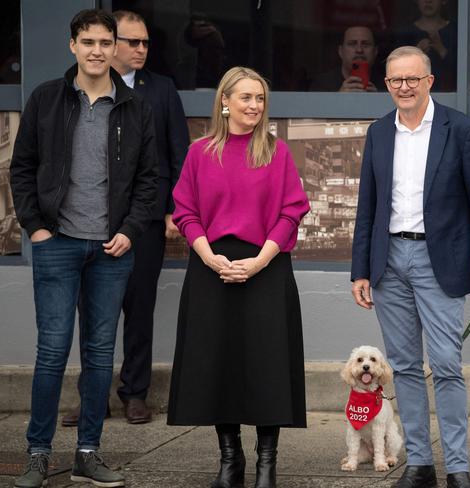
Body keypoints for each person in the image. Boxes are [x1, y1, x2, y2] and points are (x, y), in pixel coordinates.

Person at [9, 8, 157, 488]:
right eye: (87, 41)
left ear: (115, 47)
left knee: (99, 355)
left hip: (113, 249)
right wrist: (35, 227)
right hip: (58, 243)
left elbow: (150, 180)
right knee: (52, 351)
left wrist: (132, 229)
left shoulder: (136, 107)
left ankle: (87, 454)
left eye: (104, 42)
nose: (97, 50)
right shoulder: (47, 98)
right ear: (72, 45)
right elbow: (23, 166)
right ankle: (37, 454)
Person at [351, 46, 470, 488]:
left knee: (447, 365)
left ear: (430, 81)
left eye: (412, 79)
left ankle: (458, 467)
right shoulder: (380, 133)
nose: (404, 87)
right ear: (387, 84)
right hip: (389, 262)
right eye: (396, 80)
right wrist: (360, 269)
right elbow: (368, 208)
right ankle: (419, 464)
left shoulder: (463, 130)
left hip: (442, 262)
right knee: (403, 368)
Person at [167, 66, 310, 488]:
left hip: (265, 266)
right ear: (224, 102)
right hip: (212, 266)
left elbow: (291, 210)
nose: (254, 106)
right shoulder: (200, 153)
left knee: (267, 365)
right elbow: (185, 211)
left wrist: (261, 260)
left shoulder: (276, 152)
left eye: (260, 99)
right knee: (217, 366)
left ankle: (268, 464)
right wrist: (210, 258)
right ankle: (231, 461)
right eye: (246, 97)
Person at [60, 9, 190, 428]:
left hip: (146, 218)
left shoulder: (163, 89)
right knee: (93, 312)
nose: (141, 49)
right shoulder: (77, 89)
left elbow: (178, 152)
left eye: (146, 42)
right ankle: (91, 397)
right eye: (133, 42)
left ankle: (135, 393)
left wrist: (175, 209)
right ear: (111, 46)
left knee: (139, 308)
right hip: (88, 220)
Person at [395, 0, 457, 92]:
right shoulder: (406, 32)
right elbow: (396, 71)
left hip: (450, 94)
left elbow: (462, 72)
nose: (428, 1)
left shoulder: (455, 31)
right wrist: (416, 52)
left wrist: (441, 50)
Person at [309, 25, 383, 92]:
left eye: (366, 44)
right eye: (352, 44)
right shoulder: (322, 84)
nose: (359, 50)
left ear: (375, 51)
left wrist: (377, 100)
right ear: (341, 51)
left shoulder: (387, 85)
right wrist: (339, 98)